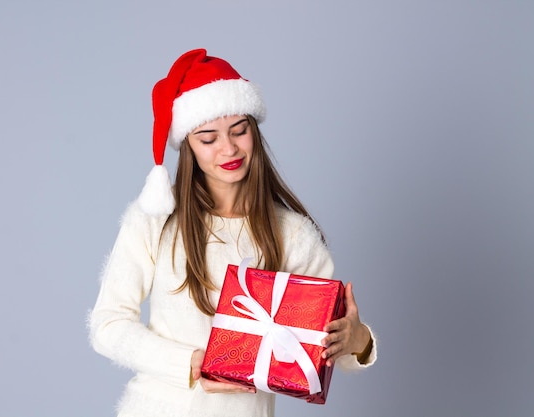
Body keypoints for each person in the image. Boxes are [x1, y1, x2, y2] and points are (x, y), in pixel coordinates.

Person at [88, 48, 377, 417]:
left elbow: (319, 351)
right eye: (208, 138)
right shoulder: (155, 219)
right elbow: (108, 326)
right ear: (189, 145)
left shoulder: (293, 234)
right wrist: (192, 363)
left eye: (239, 131)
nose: (228, 148)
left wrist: (358, 340)